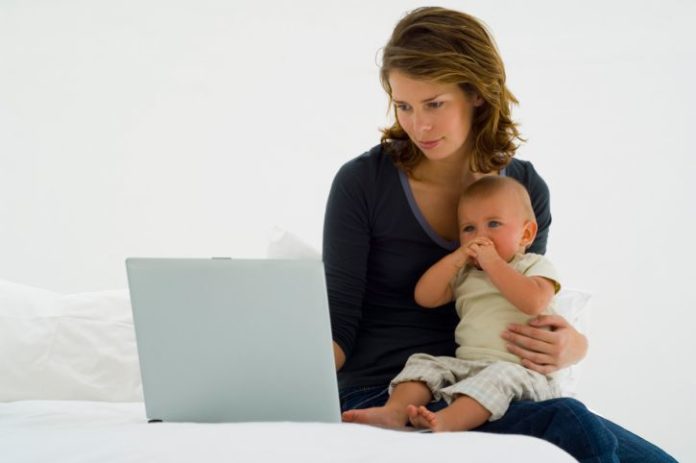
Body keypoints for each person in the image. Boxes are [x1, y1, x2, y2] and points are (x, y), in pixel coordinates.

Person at [322, 6, 676, 462]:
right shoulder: (362, 183)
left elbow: (521, 301)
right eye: (404, 105)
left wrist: (573, 345)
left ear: (477, 94)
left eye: (434, 104)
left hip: (491, 386)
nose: (419, 125)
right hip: (384, 391)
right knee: (570, 424)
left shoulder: (524, 189)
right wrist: (272, 382)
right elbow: (337, 328)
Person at [343, 176, 563, 432]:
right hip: (468, 365)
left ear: (526, 233)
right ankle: (393, 412)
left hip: (521, 372)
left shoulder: (533, 265)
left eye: (494, 224)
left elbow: (533, 302)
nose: (480, 236)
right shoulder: (467, 273)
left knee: (496, 379)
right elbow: (425, 296)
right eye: (469, 229)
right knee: (423, 364)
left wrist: (494, 264)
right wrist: (458, 257)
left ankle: (445, 422)